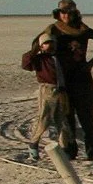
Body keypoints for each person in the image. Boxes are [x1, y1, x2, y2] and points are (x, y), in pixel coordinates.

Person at [38, 0, 93, 161]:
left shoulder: (83, 30)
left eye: (68, 12)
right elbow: (37, 47)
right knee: (67, 118)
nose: (65, 16)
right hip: (63, 80)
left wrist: (91, 63)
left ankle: (92, 153)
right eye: (63, 12)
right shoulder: (53, 29)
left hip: (82, 80)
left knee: (87, 119)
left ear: (74, 13)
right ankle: (71, 152)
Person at [17, 32, 73, 162]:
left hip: (61, 91)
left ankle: (64, 149)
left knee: (62, 121)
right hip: (47, 90)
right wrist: (35, 50)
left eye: (51, 43)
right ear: (41, 46)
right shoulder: (40, 59)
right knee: (44, 119)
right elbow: (26, 64)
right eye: (46, 43)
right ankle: (33, 144)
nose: (50, 46)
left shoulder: (58, 57)